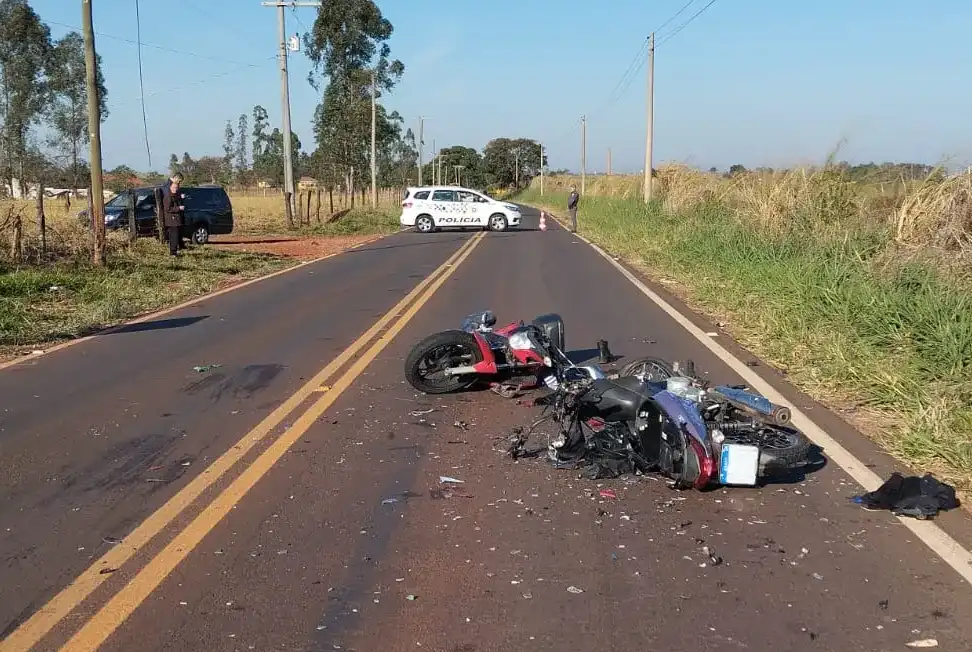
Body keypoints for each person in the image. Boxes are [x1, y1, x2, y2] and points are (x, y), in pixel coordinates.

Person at [161, 176, 185, 256]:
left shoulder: (175, 196)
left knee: (176, 237)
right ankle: (173, 253)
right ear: (170, 187)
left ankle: (175, 251)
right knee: (173, 238)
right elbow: (167, 209)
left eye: (176, 187)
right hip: (171, 221)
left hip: (175, 220)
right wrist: (179, 208)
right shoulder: (168, 197)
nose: (175, 189)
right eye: (174, 187)